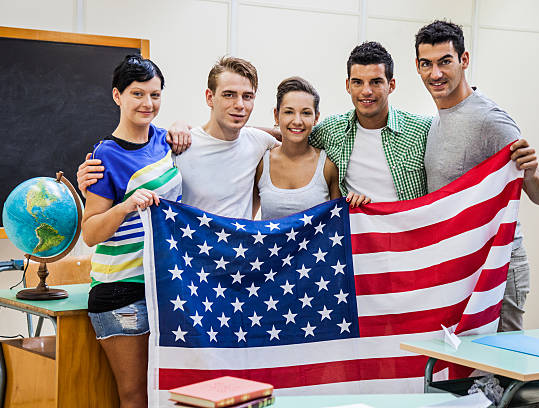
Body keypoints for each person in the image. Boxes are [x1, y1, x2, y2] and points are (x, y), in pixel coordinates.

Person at [414, 20, 539, 331]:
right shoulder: (435, 123)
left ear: (464, 60)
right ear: (418, 67)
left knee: (501, 372)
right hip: (461, 266)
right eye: (427, 64)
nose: (435, 73)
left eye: (445, 62)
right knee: (468, 372)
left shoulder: (490, 119)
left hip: (499, 266)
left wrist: (530, 173)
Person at [81, 55, 182, 408]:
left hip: (163, 285)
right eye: (138, 94)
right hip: (120, 292)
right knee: (135, 395)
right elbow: (90, 232)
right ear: (117, 96)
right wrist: (126, 205)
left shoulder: (164, 141)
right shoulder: (103, 157)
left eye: (155, 95)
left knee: (164, 389)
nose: (148, 103)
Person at [78, 56, 278, 219]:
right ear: (210, 97)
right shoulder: (178, 145)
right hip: (185, 262)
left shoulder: (260, 141)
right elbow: (138, 179)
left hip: (238, 262)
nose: (240, 105)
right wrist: (96, 188)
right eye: (229, 95)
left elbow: (296, 136)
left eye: (248, 96)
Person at [308, 42, 432, 204]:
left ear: (391, 85)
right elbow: (294, 138)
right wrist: (265, 137)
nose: (366, 91)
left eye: (376, 82)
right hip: (359, 227)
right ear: (348, 86)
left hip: (410, 227)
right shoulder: (331, 130)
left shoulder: (422, 129)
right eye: (358, 82)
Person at [254, 76, 346, 220]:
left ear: (316, 118)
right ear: (276, 116)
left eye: (306, 113)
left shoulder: (328, 167)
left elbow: (337, 225)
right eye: (289, 112)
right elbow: (246, 223)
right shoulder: (261, 164)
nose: (297, 121)